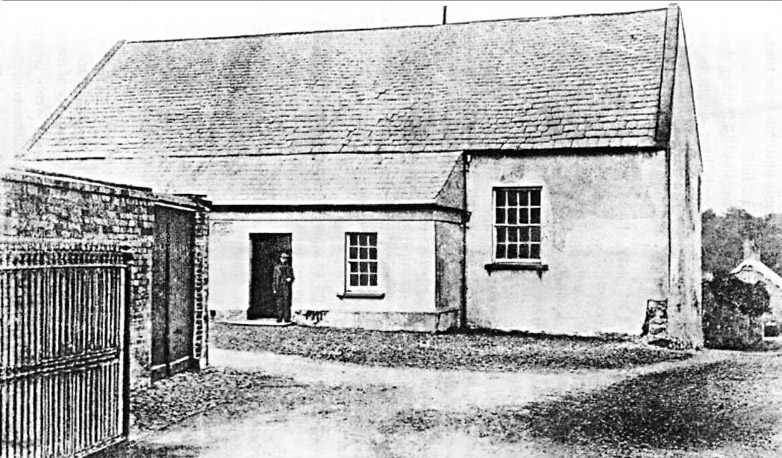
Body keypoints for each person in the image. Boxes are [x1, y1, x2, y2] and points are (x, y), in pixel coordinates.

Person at [272, 252, 295, 323]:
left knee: (286, 302)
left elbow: (292, 277)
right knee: (279, 303)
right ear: (280, 259)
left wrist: (290, 279)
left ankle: (286, 317)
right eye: (282, 258)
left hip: (286, 286)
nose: (284, 260)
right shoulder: (276, 268)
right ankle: (279, 317)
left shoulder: (289, 268)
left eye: (285, 258)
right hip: (279, 287)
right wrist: (274, 289)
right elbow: (274, 279)